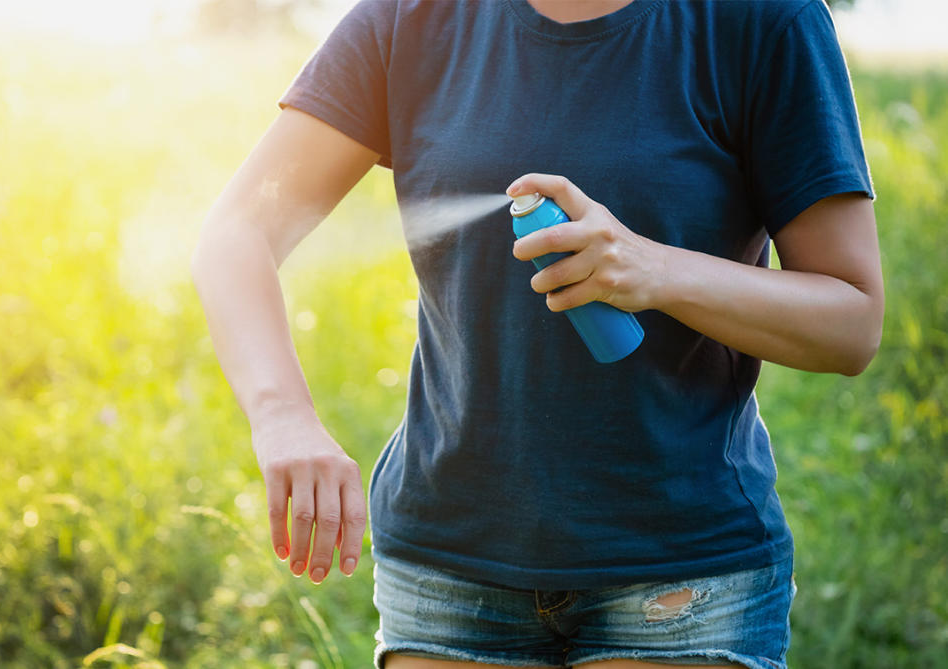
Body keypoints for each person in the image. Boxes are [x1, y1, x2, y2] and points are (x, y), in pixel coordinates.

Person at [191, 1, 883, 667]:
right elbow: (237, 233)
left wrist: (656, 269)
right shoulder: (409, 18)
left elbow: (851, 322)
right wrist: (284, 418)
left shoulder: (763, 19)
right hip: (447, 569)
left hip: (680, 573)